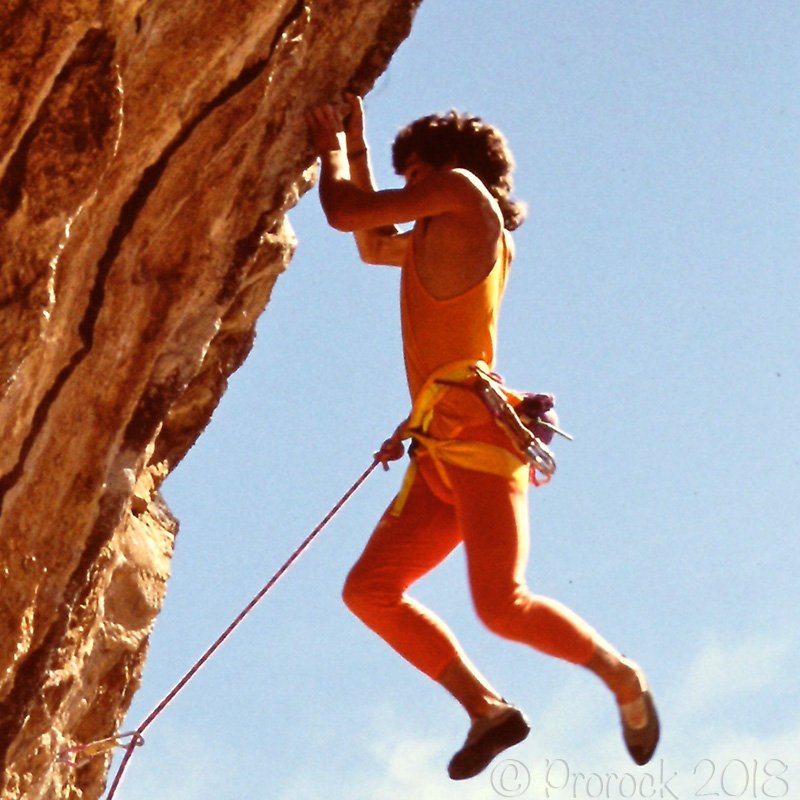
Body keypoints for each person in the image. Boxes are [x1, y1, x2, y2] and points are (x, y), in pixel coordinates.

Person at [306, 94, 659, 780]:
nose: (406, 191)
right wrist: (355, 138)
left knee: (502, 603)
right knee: (369, 590)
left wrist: (330, 148)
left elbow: (346, 211)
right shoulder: (441, 230)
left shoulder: (466, 199)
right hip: (439, 443)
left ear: (447, 168)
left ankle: (622, 676)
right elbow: (371, 242)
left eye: (413, 176)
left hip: (478, 440)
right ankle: (487, 711)